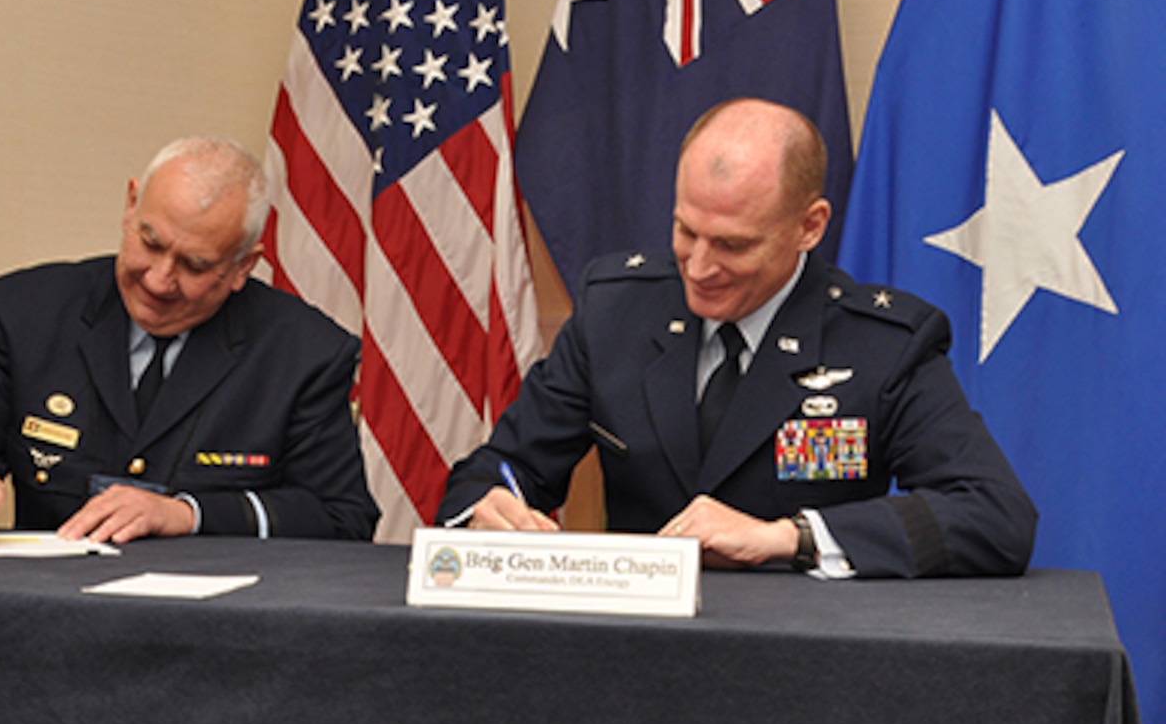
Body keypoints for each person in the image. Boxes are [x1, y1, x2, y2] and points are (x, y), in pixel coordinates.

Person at [436, 98, 1036, 577]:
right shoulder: (616, 311)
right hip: (633, 661)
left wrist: (786, 538)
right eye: (685, 230)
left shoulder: (883, 344)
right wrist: (489, 509)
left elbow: (995, 516)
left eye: (733, 245)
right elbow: (497, 470)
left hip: (809, 666)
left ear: (809, 227)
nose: (697, 267)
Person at [0, 136, 379, 543]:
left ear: (243, 266)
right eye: (150, 243)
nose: (159, 280)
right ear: (130, 205)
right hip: (45, 622)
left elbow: (342, 517)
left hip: (221, 636)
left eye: (195, 265)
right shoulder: (26, 312)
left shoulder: (304, 352)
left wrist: (188, 514)